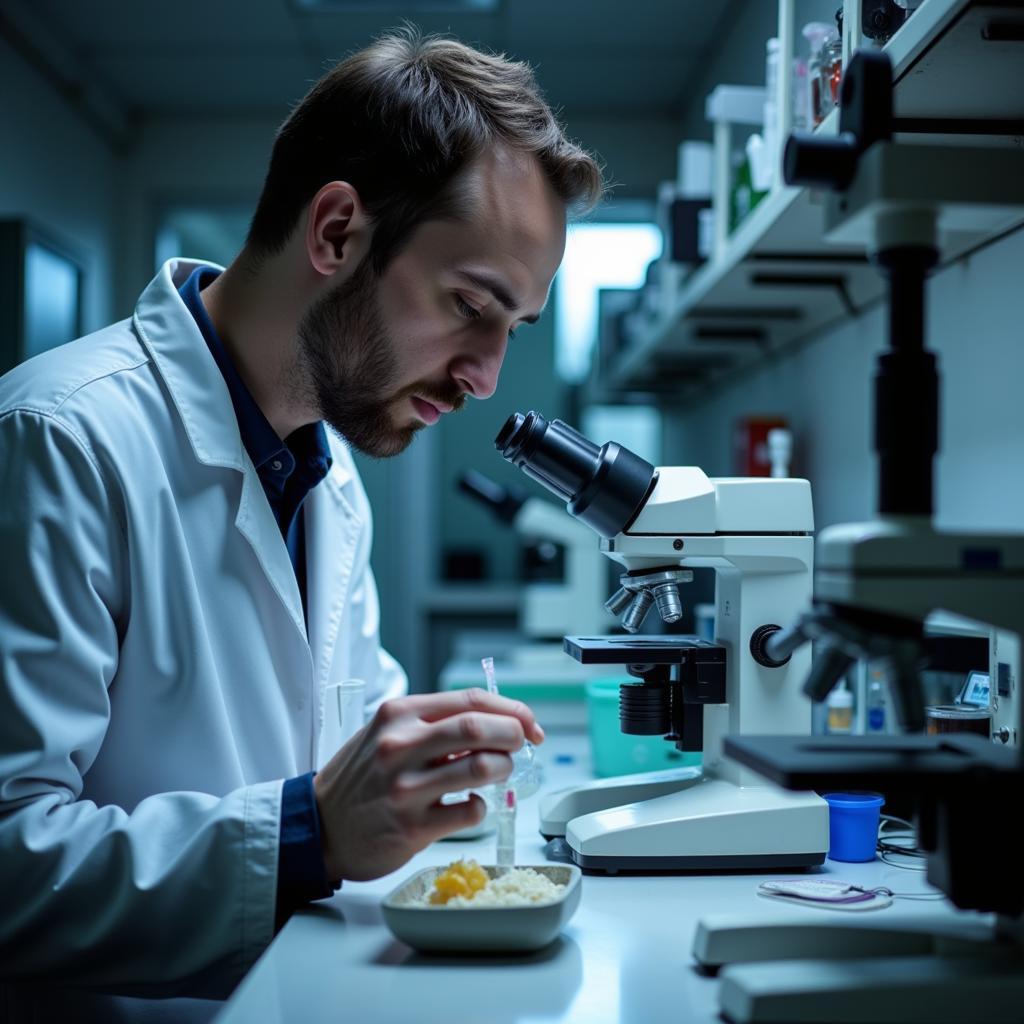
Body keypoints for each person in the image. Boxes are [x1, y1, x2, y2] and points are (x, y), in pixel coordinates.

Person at [0, 29, 603, 1023]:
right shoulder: (58, 439)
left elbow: (351, 737)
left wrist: (438, 765)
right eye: (469, 306)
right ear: (335, 234)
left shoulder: (330, 480)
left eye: (513, 328)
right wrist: (306, 831)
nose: (485, 375)